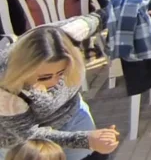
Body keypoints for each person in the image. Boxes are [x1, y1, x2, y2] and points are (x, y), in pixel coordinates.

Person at [0, 13, 121, 158]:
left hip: (73, 116)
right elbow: (28, 133)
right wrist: (86, 140)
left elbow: (107, 14)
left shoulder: (69, 34)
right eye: (45, 77)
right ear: (24, 69)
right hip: (27, 146)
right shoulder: (5, 85)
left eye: (62, 73)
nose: (54, 81)